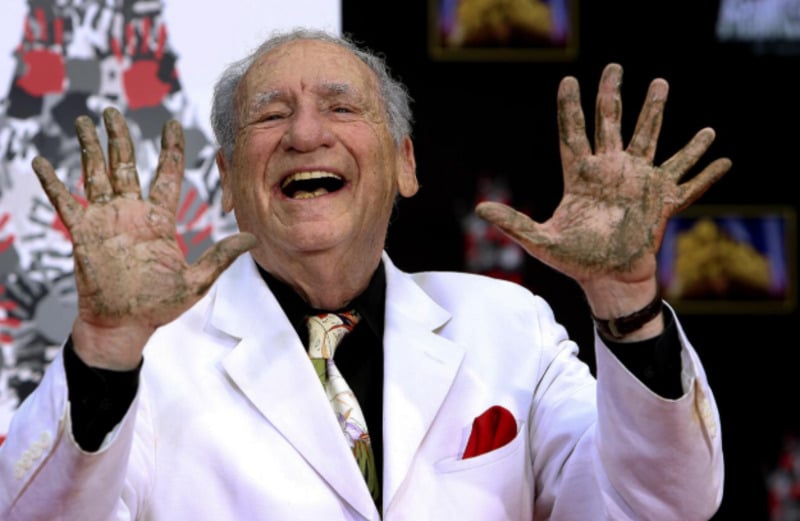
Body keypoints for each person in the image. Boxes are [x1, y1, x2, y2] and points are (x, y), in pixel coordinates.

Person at [0, 26, 729, 520]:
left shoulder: (511, 328)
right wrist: (104, 348)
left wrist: (627, 304)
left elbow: (665, 505)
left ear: (406, 163)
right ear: (226, 180)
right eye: (270, 116)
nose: (305, 133)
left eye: (341, 107)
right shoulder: (150, 357)